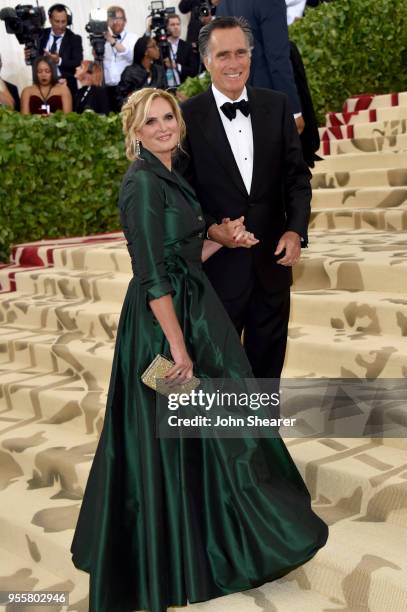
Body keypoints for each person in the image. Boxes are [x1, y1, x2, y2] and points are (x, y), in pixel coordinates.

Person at [70, 86, 328, 612]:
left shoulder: (168, 173)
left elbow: (181, 246)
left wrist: (222, 239)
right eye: (151, 121)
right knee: (175, 436)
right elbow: (151, 274)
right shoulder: (140, 183)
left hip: (192, 312)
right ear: (134, 131)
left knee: (212, 431)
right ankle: (170, 556)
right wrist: (178, 349)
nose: (164, 126)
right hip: (161, 327)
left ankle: (213, 542)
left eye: (168, 117)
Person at [179, 17, 311, 379]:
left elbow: (297, 179)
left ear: (251, 56)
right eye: (223, 55)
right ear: (206, 60)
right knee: (214, 374)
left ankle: (263, 438)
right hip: (217, 274)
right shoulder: (185, 117)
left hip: (272, 267)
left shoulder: (277, 105)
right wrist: (210, 230)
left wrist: (294, 231)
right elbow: (180, 195)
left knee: (267, 375)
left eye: (241, 52)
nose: (234, 63)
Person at [217, 0, 305, 134]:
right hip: (268, 100)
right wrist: (293, 111)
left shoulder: (223, 5)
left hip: (237, 102)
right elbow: (278, 58)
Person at [37, 3, 83, 97]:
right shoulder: (40, 35)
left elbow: (77, 62)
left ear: (68, 21)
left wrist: (59, 60)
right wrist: (29, 58)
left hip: (66, 86)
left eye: (64, 21)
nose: (60, 25)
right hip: (43, 86)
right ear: (50, 20)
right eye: (57, 21)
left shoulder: (75, 39)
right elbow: (35, 60)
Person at [103, 5, 138, 112]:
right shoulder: (102, 39)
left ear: (125, 21)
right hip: (108, 89)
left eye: (119, 18)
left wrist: (112, 41)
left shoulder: (133, 38)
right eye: (112, 19)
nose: (116, 22)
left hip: (127, 89)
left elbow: (133, 57)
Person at [117, 37, 166, 109]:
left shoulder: (159, 70)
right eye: (154, 46)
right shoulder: (130, 72)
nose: (158, 48)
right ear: (145, 51)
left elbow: (165, 91)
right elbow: (120, 99)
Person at [163, 14, 199, 85]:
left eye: (178, 24)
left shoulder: (187, 46)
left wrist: (176, 66)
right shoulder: (161, 46)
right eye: (172, 25)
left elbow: (193, 71)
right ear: (166, 27)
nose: (176, 27)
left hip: (182, 87)